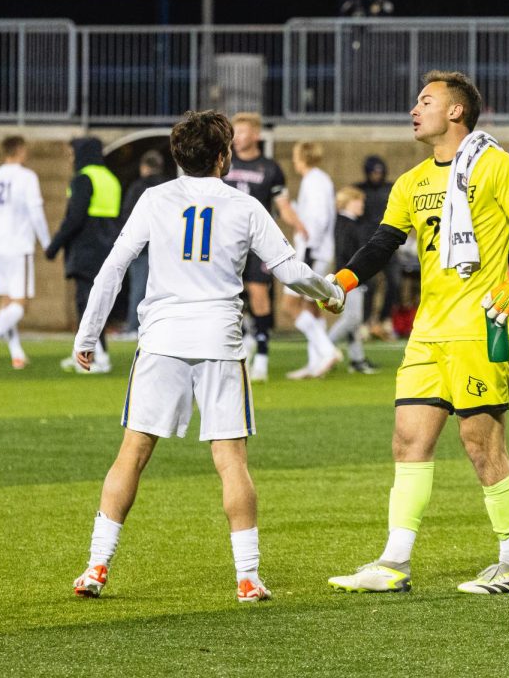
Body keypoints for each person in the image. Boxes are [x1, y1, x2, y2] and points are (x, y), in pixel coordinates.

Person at [69, 110, 345, 603]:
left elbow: (114, 267)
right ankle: (247, 576)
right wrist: (331, 292)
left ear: (178, 156)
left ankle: (95, 567)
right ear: (224, 156)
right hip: (219, 341)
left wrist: (87, 335)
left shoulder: (155, 199)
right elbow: (287, 268)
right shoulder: (243, 205)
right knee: (231, 460)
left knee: (131, 455)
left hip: (162, 342)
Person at [326, 70, 509, 594]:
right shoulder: (412, 181)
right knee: (408, 441)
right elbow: (383, 244)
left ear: (455, 112)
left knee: (481, 444)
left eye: (425, 101)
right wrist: (342, 282)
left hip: (478, 327)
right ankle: (394, 563)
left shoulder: (496, 165)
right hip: (427, 331)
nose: (414, 110)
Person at [222, 112, 307, 382]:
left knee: (259, 295)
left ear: (256, 135)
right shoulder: (223, 163)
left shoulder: (270, 168)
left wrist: (299, 226)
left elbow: (282, 206)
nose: (237, 137)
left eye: (243, 131)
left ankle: (262, 357)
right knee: (229, 296)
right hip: (226, 242)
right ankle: (241, 341)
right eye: (235, 132)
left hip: (257, 243)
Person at [0, 135, 51, 369]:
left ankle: (16, 354)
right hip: (19, 246)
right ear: (20, 150)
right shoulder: (28, 178)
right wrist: (46, 243)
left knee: (6, 301)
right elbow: (36, 213)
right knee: (20, 304)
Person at [46, 136, 122, 374]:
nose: (71, 158)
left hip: (87, 248)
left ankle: (93, 357)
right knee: (98, 303)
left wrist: (55, 244)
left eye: (72, 153)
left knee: (87, 303)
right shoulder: (111, 179)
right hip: (107, 247)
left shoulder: (83, 178)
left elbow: (75, 217)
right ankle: (89, 354)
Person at [283, 141, 343, 380]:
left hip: (312, 251)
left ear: (303, 157)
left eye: (296, 156)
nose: (294, 160)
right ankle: (315, 361)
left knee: (289, 305)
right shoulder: (318, 179)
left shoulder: (315, 180)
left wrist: (309, 250)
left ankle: (327, 351)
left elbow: (318, 218)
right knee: (312, 307)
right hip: (316, 249)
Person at [120, 150, 168, 337]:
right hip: (165, 248)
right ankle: (161, 327)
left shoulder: (137, 188)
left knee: (139, 289)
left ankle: (134, 327)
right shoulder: (168, 187)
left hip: (141, 246)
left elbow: (127, 216)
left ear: (144, 167)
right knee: (164, 290)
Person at [330, 186, 377, 374]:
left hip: (349, 278)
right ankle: (323, 348)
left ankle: (357, 359)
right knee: (352, 319)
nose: (362, 205)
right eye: (359, 201)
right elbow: (346, 254)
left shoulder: (349, 223)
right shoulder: (345, 224)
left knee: (354, 323)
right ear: (349, 202)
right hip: (347, 279)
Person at [355, 155, 398, 340]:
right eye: (373, 172)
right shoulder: (359, 190)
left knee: (395, 282)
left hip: (388, 243)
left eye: (379, 172)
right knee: (368, 285)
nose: (376, 175)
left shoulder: (391, 189)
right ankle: (365, 323)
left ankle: (384, 320)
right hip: (368, 245)